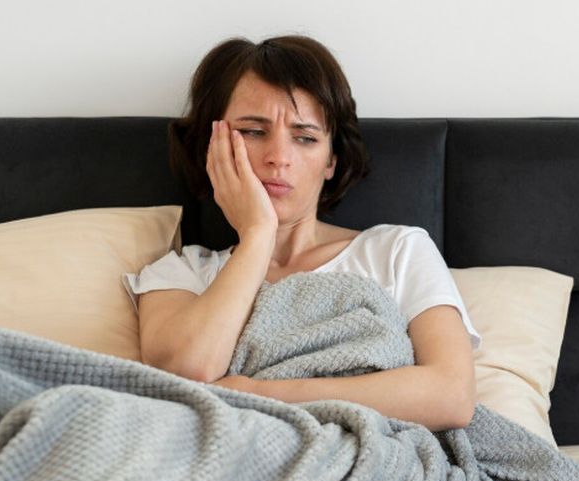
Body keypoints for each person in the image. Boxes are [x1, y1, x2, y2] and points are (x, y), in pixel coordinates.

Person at [123, 35, 480, 431]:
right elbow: (190, 374)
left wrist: (258, 394)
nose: (278, 157)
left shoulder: (397, 251)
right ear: (213, 147)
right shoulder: (179, 274)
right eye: (253, 131)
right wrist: (258, 234)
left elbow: (451, 396)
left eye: (306, 137)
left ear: (331, 160)